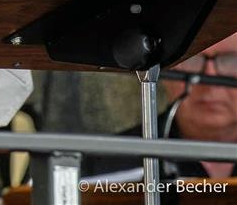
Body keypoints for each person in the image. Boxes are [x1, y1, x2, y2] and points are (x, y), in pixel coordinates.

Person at [83, 32, 237, 181]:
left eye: (232, 61)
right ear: (163, 72)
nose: (208, 80)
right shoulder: (105, 166)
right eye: (191, 60)